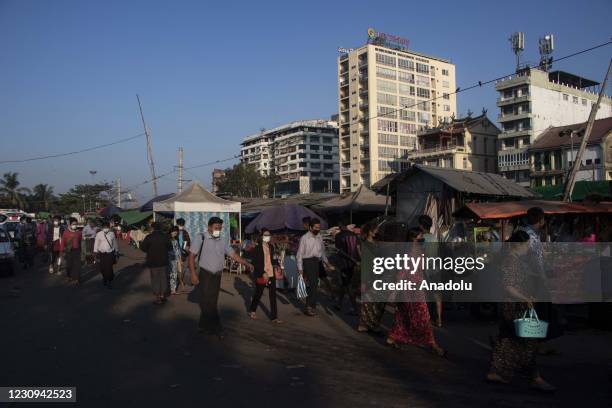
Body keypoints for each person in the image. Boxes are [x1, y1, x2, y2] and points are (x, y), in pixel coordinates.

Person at [487, 230, 555, 392]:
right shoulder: (511, 260)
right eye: (527, 245)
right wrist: (525, 298)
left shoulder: (514, 258)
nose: (528, 248)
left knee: (507, 339)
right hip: (515, 306)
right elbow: (508, 286)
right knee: (528, 342)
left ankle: (495, 372)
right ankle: (534, 377)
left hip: (514, 304)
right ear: (519, 245)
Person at [188, 217, 253, 337]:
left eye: (220, 228)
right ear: (209, 227)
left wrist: (246, 263)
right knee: (209, 303)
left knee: (211, 302)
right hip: (205, 274)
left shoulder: (222, 240)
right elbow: (191, 256)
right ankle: (218, 328)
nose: (218, 230)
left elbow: (233, 254)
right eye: (216, 227)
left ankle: (203, 326)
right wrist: (192, 274)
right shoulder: (201, 237)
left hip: (217, 275)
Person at [386, 228, 446, 357]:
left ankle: (392, 338)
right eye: (420, 237)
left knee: (403, 314)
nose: (422, 239)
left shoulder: (416, 250)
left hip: (415, 287)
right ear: (413, 238)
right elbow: (402, 273)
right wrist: (395, 289)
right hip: (411, 290)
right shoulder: (409, 252)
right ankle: (433, 345)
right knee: (423, 317)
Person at [296, 218, 332, 317]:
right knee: (312, 283)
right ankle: (309, 307)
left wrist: (327, 263)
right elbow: (299, 254)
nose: (317, 229)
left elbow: (322, 251)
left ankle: (312, 305)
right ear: (311, 227)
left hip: (317, 261)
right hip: (307, 261)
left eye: (319, 227)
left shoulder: (319, 237)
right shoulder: (304, 238)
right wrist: (300, 268)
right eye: (316, 227)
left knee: (315, 285)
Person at [248, 228, 283, 323]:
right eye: (265, 235)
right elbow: (255, 262)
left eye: (269, 235)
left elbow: (273, 259)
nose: (268, 237)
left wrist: (278, 266)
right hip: (262, 273)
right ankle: (252, 310)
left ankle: (274, 317)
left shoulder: (271, 247)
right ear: (261, 236)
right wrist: (262, 273)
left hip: (271, 273)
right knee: (258, 293)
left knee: (273, 295)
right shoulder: (257, 248)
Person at [418, 215, 443, 328]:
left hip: (426, 270)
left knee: (425, 295)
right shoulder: (434, 238)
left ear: (421, 226)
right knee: (437, 296)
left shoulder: (421, 239)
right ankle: (439, 320)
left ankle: (426, 318)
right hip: (436, 269)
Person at [141, 222, 172, 305]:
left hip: (153, 262)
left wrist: (150, 250)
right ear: (161, 228)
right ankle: (162, 295)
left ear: (153, 228)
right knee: (163, 278)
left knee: (155, 279)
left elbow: (143, 248)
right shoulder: (165, 237)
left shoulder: (149, 237)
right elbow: (170, 248)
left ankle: (158, 297)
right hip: (163, 261)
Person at [334, 222, 360, 314]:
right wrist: (357, 261)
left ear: (340, 226)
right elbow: (357, 249)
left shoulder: (338, 236)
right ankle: (339, 303)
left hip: (344, 264)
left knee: (347, 285)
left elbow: (339, 251)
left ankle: (355, 308)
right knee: (344, 284)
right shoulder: (354, 235)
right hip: (352, 264)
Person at [94, 220, 118, 288]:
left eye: (107, 227)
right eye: (104, 227)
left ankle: (109, 280)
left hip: (110, 253)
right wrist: (95, 252)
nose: (105, 228)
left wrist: (116, 250)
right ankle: (105, 278)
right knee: (102, 268)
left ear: (109, 227)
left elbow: (115, 243)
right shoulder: (99, 234)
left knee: (109, 268)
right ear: (102, 227)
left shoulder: (112, 234)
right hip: (101, 254)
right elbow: (96, 244)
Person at [60, 218, 82, 285]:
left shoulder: (79, 232)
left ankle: (77, 279)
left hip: (77, 251)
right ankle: (69, 276)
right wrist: (61, 251)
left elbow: (80, 241)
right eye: (73, 224)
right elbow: (63, 242)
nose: (74, 225)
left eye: (76, 224)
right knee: (69, 265)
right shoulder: (66, 232)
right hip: (69, 251)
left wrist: (81, 250)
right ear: (70, 224)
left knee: (77, 265)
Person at [176, 218, 191, 290]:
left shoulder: (185, 232)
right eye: (179, 224)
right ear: (177, 224)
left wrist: (186, 247)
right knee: (179, 269)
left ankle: (181, 280)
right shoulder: (175, 232)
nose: (181, 226)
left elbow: (188, 242)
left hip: (184, 253)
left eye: (182, 224)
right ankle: (181, 283)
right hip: (176, 253)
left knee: (183, 269)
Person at [168, 226, 182, 295]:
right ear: (171, 231)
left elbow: (178, 250)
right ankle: (171, 289)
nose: (175, 232)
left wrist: (179, 259)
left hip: (176, 260)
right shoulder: (168, 240)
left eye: (176, 231)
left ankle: (173, 289)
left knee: (174, 274)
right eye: (174, 231)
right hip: (169, 260)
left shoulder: (176, 240)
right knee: (171, 274)